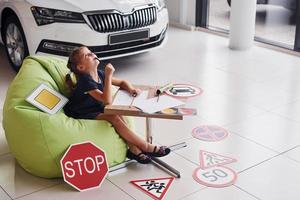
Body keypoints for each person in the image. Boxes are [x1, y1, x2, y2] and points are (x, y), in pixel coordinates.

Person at [63, 46, 170, 164]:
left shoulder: (99, 74)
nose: (92, 54)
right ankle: (146, 146)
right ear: (81, 67)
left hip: (96, 107)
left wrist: (131, 89)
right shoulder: (85, 81)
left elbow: (122, 82)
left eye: (91, 52)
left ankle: (134, 150)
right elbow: (107, 100)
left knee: (118, 113)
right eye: (87, 55)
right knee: (113, 117)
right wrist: (109, 76)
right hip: (82, 112)